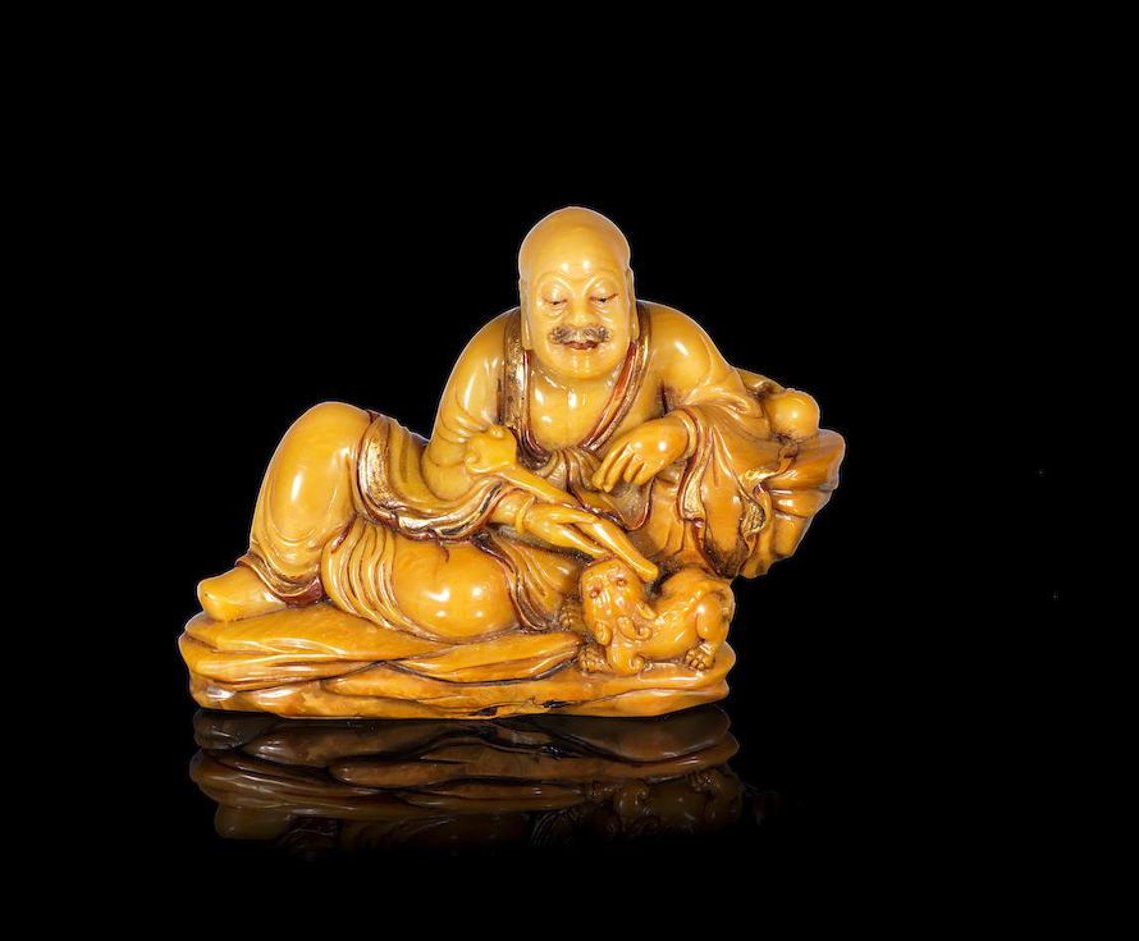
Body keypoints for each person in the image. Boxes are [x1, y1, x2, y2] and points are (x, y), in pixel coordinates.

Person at [197, 206, 844, 643]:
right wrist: (522, 507)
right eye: (555, 300)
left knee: (461, 605)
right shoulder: (495, 356)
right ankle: (279, 577)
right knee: (326, 430)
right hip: (504, 521)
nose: (580, 319)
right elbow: (442, 473)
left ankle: (342, 558)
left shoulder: (670, 342)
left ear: (630, 293)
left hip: (574, 556)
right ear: (526, 309)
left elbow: (743, 424)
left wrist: (682, 431)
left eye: (602, 296)